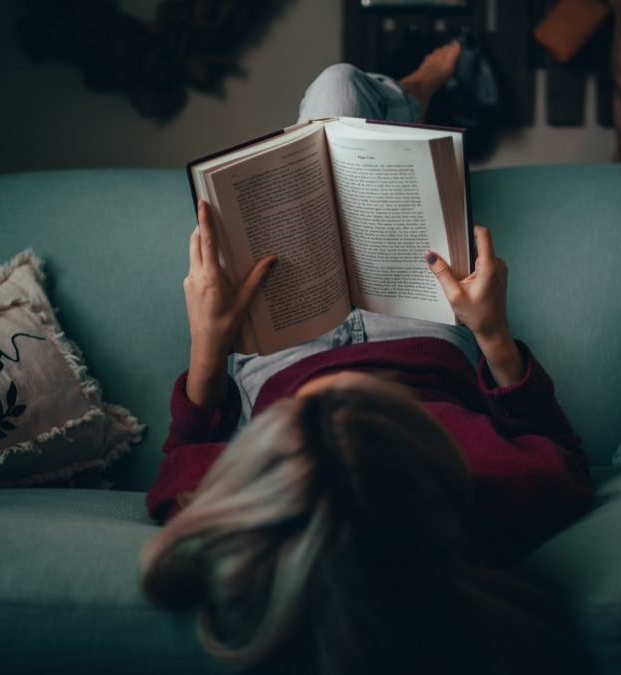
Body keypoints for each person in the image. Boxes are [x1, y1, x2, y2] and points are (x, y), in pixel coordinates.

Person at [139, 44, 593, 675]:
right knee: (342, 102)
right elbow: (563, 449)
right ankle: (417, 90)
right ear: (419, 464)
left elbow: (178, 462)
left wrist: (209, 344)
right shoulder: (495, 492)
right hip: (417, 334)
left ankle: (408, 94)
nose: (344, 390)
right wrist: (493, 334)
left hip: (283, 353)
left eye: (309, 423)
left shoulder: (248, 516)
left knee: (333, 99)